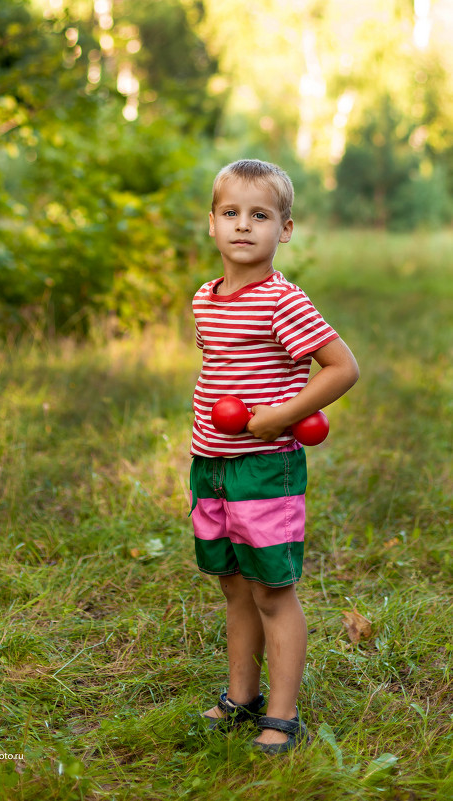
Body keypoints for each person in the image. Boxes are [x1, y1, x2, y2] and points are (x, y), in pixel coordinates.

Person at [189, 159, 359, 754]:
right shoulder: (204, 301)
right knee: (234, 585)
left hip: (266, 467)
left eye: (259, 215)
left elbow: (342, 367)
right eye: (230, 213)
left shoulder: (282, 300)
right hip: (210, 462)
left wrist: (281, 417)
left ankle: (281, 715)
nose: (243, 226)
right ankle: (243, 696)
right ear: (211, 224)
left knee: (272, 592)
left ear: (284, 229)